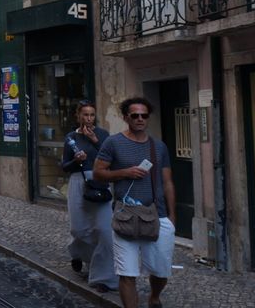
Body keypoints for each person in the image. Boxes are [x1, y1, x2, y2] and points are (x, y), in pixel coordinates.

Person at [94, 97, 176, 308]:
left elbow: (167, 182)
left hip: (157, 215)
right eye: (135, 115)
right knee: (127, 273)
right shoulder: (113, 142)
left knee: (160, 269)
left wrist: (172, 217)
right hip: (125, 215)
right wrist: (124, 173)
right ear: (126, 117)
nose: (140, 119)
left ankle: (155, 296)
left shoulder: (158, 146)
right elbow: (98, 174)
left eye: (144, 115)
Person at [61, 100, 118, 293]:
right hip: (79, 181)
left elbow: (112, 157)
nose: (88, 118)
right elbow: (64, 166)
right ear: (78, 116)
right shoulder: (70, 138)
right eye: (85, 115)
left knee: (104, 231)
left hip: (100, 181)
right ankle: (78, 253)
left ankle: (104, 278)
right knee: (79, 229)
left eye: (92, 114)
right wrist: (75, 162)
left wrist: (95, 141)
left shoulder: (103, 135)